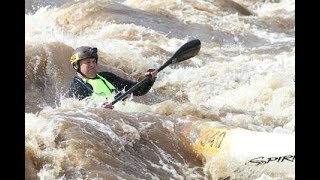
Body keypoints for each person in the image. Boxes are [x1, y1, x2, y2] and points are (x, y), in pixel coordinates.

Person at [67, 46, 158, 109]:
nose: (92, 65)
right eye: (87, 62)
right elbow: (81, 114)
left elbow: (138, 90)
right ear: (76, 66)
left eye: (93, 61)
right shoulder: (77, 86)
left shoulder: (107, 77)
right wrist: (101, 110)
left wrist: (150, 79)